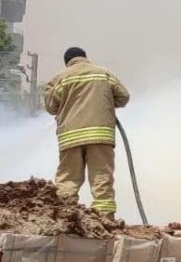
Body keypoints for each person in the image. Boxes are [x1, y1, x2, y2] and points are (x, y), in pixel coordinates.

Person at [42, 47, 130, 218]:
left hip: (70, 136)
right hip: (100, 134)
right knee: (101, 178)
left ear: (67, 62)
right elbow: (123, 96)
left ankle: (65, 218)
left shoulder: (61, 78)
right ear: (85, 57)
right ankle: (105, 218)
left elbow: (51, 106)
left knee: (68, 179)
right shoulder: (103, 73)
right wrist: (103, 102)